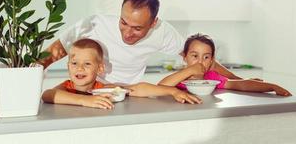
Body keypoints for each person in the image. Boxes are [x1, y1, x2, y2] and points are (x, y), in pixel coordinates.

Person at [40, 0, 241, 85]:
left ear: (153, 23)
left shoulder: (162, 32)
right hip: (92, 90)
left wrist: (238, 80)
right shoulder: (94, 24)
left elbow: (200, 57)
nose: (127, 33)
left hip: (131, 93)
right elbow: (50, 55)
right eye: (123, 22)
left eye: (137, 29)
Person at [42, 39, 202, 109]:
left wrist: (173, 91)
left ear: (100, 69)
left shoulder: (102, 89)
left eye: (87, 64)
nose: (80, 68)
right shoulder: (66, 87)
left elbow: (137, 89)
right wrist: (85, 101)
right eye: (74, 63)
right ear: (68, 66)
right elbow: (48, 95)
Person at [158, 33, 292, 96]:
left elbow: (239, 84)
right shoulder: (179, 78)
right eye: (194, 56)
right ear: (185, 57)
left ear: (211, 60)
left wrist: (272, 86)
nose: (200, 62)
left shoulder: (212, 77)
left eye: (206, 57)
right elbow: (161, 86)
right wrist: (189, 71)